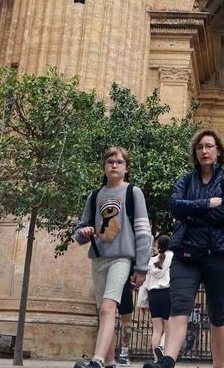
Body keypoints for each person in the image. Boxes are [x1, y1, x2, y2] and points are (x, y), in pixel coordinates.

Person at [144, 129, 224, 368]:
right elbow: (176, 207)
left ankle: (218, 366)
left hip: (218, 255)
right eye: (200, 147)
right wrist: (206, 204)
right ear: (195, 153)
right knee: (179, 308)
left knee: (218, 314)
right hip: (186, 254)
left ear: (218, 152)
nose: (204, 151)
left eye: (209, 146)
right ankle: (167, 361)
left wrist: (191, 215)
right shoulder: (185, 181)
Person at [74, 147, 153, 368]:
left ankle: (97, 360)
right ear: (104, 167)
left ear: (127, 168)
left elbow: (143, 231)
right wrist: (84, 233)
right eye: (110, 162)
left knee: (109, 307)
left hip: (122, 258)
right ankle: (109, 362)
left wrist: (141, 267)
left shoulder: (133, 192)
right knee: (103, 312)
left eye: (119, 162)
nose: (114, 165)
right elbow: (80, 231)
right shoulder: (94, 196)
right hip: (99, 258)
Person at [143, 234, 173, 362]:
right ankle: (162, 349)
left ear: (158, 246)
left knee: (156, 329)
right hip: (167, 292)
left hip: (153, 295)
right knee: (169, 327)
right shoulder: (172, 256)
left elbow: (147, 280)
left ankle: (156, 360)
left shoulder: (152, 260)